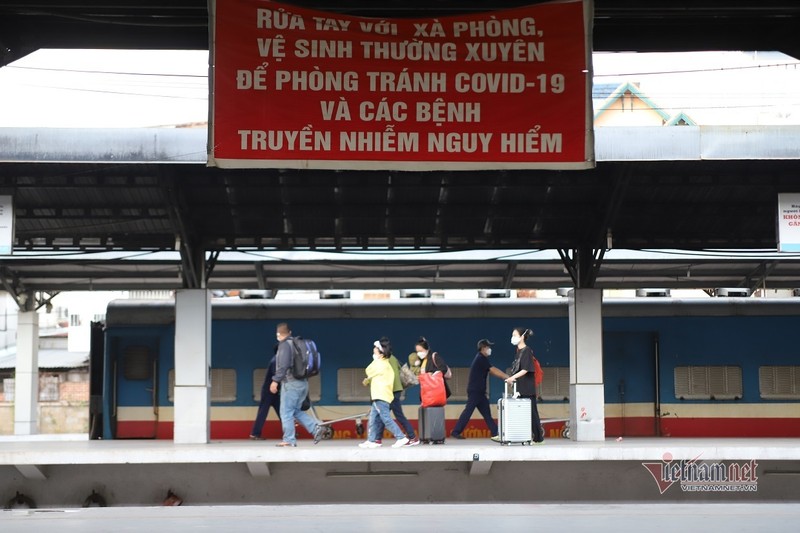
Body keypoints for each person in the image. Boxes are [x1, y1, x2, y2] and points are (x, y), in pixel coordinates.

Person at [269, 322, 321, 447]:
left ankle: (289, 440)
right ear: (290, 332)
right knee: (295, 411)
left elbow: (284, 365)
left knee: (286, 412)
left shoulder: (284, 345)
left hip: (290, 383)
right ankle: (315, 428)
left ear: (278, 334)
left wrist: (275, 381)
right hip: (302, 383)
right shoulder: (296, 344)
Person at [450, 339, 509, 440]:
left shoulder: (482, 359)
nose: (490, 349)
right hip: (475, 391)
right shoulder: (480, 358)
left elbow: (491, 370)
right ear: (483, 348)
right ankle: (456, 431)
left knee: (487, 414)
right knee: (468, 411)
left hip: (480, 392)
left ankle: (496, 433)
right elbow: (493, 370)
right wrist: (506, 377)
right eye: (488, 347)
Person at [359, 340, 411, 448]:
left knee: (385, 418)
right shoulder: (385, 364)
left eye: (375, 348)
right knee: (373, 418)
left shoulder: (381, 364)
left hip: (380, 395)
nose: (373, 349)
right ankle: (372, 440)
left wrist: (369, 376)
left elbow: (368, 370)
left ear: (380, 352)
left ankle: (401, 437)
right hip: (380, 395)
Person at [372, 337, 420, 446]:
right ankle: (377, 439)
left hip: (391, 391)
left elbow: (390, 376)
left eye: (376, 347)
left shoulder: (387, 360)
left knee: (389, 415)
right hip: (395, 390)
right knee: (385, 415)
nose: (374, 349)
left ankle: (412, 437)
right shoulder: (392, 358)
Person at [504, 327, 545, 443]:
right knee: (520, 413)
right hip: (520, 388)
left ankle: (538, 439)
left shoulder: (526, 351)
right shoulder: (518, 352)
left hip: (527, 388)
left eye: (515, 335)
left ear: (522, 337)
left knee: (532, 414)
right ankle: (510, 435)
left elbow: (526, 369)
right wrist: (513, 379)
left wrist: (512, 377)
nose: (513, 337)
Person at [249, 345, 281, 440]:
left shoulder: (276, 360)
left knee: (282, 412)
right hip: (269, 391)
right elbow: (277, 376)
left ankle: (290, 432)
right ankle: (255, 433)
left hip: (275, 391)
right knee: (263, 413)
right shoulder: (275, 361)